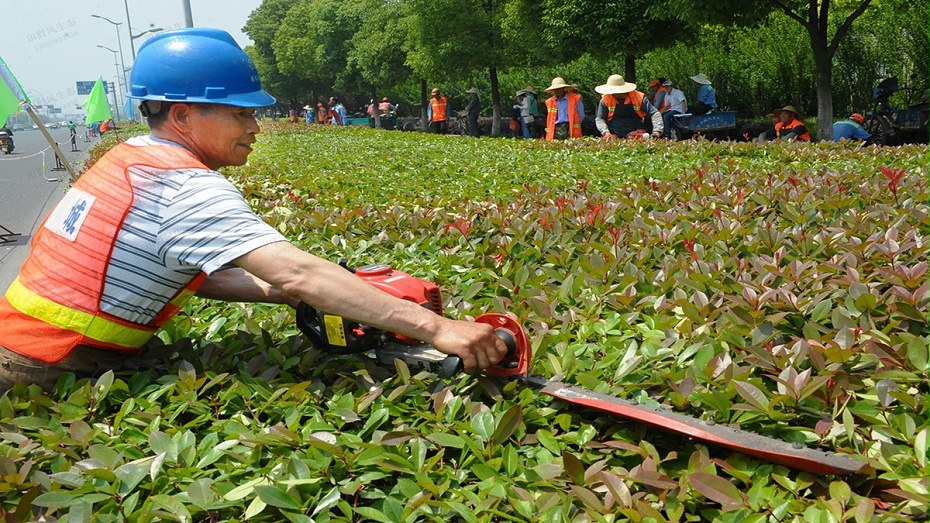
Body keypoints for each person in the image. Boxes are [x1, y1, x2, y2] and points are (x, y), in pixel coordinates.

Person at [0, 27, 507, 394]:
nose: (255, 128)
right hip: (50, 364)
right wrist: (441, 329)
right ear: (182, 115)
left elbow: (192, 276)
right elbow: (299, 271)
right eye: (241, 114)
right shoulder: (184, 187)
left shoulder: (129, 158)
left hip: (25, 344)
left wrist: (293, 296)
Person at [593, 74, 662, 140]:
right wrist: (606, 132)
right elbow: (600, 118)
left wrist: (657, 131)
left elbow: (654, 113)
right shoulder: (606, 99)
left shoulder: (638, 97)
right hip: (614, 134)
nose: (611, 93)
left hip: (637, 134)